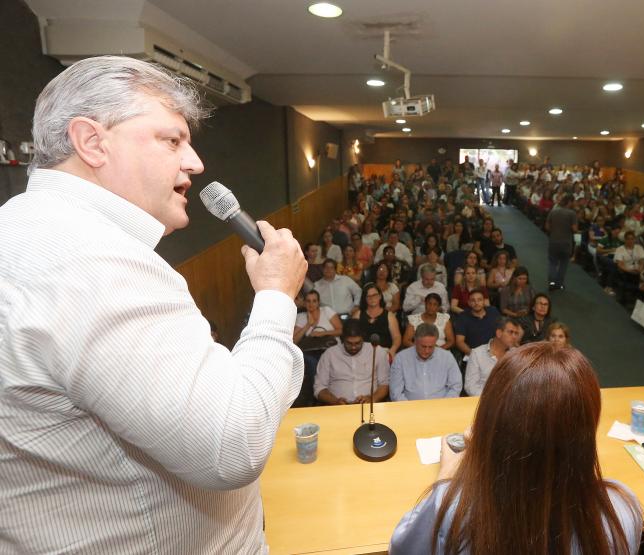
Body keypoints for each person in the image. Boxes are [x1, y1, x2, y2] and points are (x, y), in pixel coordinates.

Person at [0, 56, 308, 553]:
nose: (195, 162)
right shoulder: (90, 264)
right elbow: (231, 445)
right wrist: (274, 296)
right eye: (172, 140)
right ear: (92, 142)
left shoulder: (25, 230)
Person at [390, 342, 644, 554]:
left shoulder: (454, 509)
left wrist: (446, 479)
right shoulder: (622, 509)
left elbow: (400, 548)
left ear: (490, 426)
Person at [314, 319, 390, 405]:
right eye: (349, 343)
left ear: (363, 339)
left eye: (357, 343)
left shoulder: (377, 351)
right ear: (342, 339)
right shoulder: (329, 354)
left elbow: (384, 384)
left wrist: (372, 398)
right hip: (337, 408)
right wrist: (335, 401)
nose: (353, 347)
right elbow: (319, 387)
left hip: (370, 406)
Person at [389, 324, 462, 401]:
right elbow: (395, 392)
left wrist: (444, 404)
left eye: (431, 347)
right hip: (410, 407)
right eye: (423, 346)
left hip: (441, 406)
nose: (427, 351)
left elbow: (456, 386)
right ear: (415, 341)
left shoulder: (447, 357)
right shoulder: (401, 358)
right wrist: (409, 408)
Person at [463, 318, 522, 396]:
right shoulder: (477, 354)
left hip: (509, 402)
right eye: (510, 332)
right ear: (499, 333)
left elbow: (520, 383)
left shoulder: (516, 354)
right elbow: (470, 386)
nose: (514, 337)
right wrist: (490, 399)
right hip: (483, 401)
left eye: (516, 333)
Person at [351, 284, 401, 361]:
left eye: (375, 295)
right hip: (362, 352)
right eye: (369, 296)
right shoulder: (358, 315)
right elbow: (352, 336)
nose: (372, 298)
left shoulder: (389, 316)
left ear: (380, 296)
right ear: (365, 299)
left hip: (384, 352)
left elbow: (396, 337)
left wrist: (392, 350)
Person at [454, 290, 503, 356]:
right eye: (473, 300)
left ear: (484, 301)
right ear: (469, 303)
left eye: (479, 300)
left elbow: (503, 330)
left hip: (496, 351)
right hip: (474, 353)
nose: (476, 303)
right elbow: (460, 342)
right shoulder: (462, 317)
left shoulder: (493, 311)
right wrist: (475, 356)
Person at [545, 194, 578, 290]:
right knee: (563, 264)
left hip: (553, 241)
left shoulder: (553, 211)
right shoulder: (572, 214)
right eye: (573, 201)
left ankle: (551, 282)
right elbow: (574, 229)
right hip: (566, 243)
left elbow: (547, 226)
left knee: (553, 263)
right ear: (570, 202)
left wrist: (555, 230)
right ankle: (559, 284)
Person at [615, 231, 644, 304]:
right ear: (625, 240)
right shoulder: (620, 249)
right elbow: (620, 264)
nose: (630, 241)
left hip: (638, 270)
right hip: (626, 271)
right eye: (628, 239)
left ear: (634, 239)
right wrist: (629, 271)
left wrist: (640, 269)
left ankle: (642, 299)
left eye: (632, 239)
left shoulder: (639, 248)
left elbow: (642, 261)